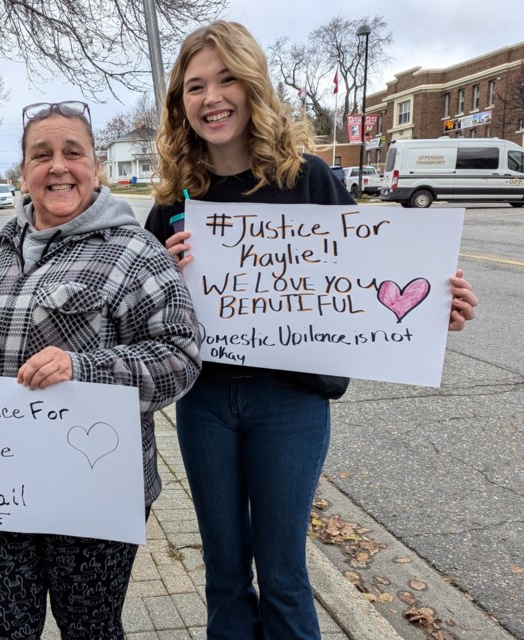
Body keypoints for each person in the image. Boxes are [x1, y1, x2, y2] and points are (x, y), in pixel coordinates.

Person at [144, 22, 479, 640]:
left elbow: (366, 282)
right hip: (205, 400)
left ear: (253, 86)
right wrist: (164, 272)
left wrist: (437, 307)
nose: (212, 97)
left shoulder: (310, 179)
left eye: (226, 79)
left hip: (290, 401)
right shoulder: (174, 197)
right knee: (222, 572)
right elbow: (144, 310)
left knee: (284, 575)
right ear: (179, 103)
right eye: (195, 86)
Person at [0, 100, 202, 639]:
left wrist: (83, 368)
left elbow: (180, 356)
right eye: (41, 154)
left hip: (95, 491)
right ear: (24, 172)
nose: (58, 166)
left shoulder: (134, 252)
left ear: (95, 166)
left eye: (73, 152)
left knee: (89, 629)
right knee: (0, 629)